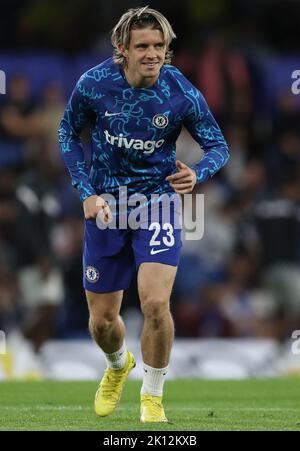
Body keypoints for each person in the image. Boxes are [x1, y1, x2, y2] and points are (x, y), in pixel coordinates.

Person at [58, 6, 229, 423]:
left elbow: (218, 146)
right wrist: (85, 192)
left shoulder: (181, 91)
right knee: (102, 322)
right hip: (107, 207)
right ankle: (118, 365)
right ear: (123, 49)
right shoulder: (94, 84)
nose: (153, 54)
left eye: (159, 46)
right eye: (143, 46)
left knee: (155, 302)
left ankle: (152, 398)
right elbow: (67, 132)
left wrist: (198, 173)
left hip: (158, 204)